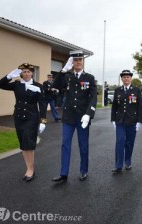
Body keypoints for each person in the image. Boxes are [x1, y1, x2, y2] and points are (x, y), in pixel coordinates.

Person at [52, 50, 97, 183]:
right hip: (68, 117)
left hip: (83, 118)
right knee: (65, 145)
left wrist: (89, 114)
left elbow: (93, 97)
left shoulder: (89, 78)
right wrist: (63, 71)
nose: (78, 62)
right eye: (75, 60)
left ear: (82, 61)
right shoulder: (67, 77)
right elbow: (55, 86)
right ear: (72, 62)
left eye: (80, 60)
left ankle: (84, 171)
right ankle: (63, 173)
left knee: (83, 145)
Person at [0, 63, 47, 182]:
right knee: (23, 144)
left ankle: (30, 169)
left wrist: (43, 121)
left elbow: (43, 104)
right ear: (21, 73)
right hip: (19, 118)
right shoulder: (17, 85)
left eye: (28, 71)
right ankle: (28, 167)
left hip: (32, 118)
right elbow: (0, 84)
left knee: (29, 142)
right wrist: (9, 76)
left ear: (32, 73)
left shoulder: (38, 86)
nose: (26, 73)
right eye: (24, 72)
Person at [111, 70, 142, 174]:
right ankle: (118, 165)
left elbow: (139, 107)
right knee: (120, 142)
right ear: (121, 79)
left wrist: (139, 121)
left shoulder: (136, 90)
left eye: (128, 77)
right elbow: (114, 106)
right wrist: (113, 120)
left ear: (131, 78)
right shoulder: (118, 90)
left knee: (129, 143)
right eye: (124, 77)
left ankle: (128, 162)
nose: (126, 79)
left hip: (132, 121)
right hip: (120, 121)